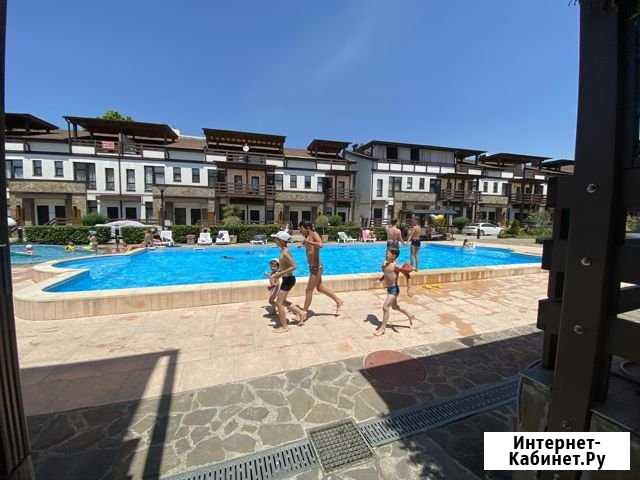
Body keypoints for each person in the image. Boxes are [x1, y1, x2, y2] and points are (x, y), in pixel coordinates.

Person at [299, 220, 343, 319]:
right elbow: (309, 246)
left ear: (307, 228)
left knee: (309, 290)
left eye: (301, 228)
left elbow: (320, 244)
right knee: (319, 287)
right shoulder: (307, 236)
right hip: (312, 267)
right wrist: (303, 244)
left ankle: (304, 313)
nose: (300, 230)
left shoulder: (314, 234)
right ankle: (338, 301)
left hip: (316, 267)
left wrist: (308, 242)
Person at [270, 231, 306, 332]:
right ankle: (301, 313)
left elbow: (294, 266)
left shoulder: (285, 252)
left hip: (288, 280)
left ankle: (285, 327)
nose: (275, 241)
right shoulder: (283, 251)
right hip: (287, 279)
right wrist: (278, 273)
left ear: (281, 241)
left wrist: (279, 274)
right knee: (283, 301)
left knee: (279, 303)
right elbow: (285, 266)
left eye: (276, 239)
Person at [375, 247, 416, 336]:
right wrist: (380, 280)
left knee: (385, 307)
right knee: (395, 307)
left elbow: (408, 276)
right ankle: (410, 315)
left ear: (393, 256)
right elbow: (386, 274)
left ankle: (382, 329)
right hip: (389, 289)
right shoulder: (385, 264)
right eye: (386, 252)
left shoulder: (396, 266)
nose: (386, 254)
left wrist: (409, 288)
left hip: (394, 289)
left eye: (388, 253)